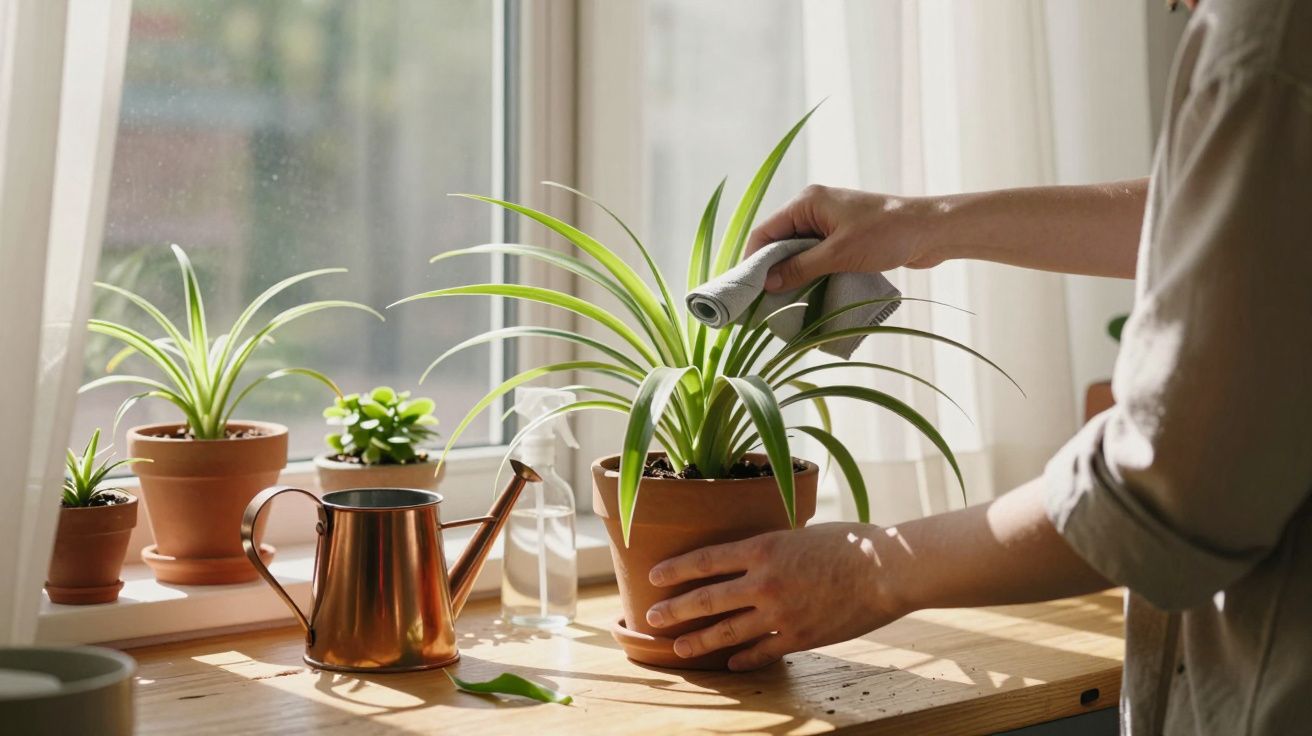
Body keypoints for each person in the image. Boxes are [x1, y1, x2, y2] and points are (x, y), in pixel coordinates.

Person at [643, 0, 1311, 732]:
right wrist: (924, 223)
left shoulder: (1269, 42)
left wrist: (873, 571)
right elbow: (1248, 212)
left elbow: (1170, 484)